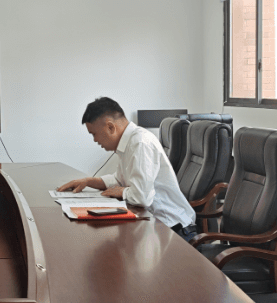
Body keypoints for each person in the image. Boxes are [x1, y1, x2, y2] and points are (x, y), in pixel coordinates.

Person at [57, 97, 198, 241]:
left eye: (94, 133)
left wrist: (122, 191)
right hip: (154, 223)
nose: (94, 140)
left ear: (110, 127)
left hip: (173, 229)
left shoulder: (140, 143)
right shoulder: (129, 143)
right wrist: (88, 181)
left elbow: (141, 197)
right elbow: (119, 180)